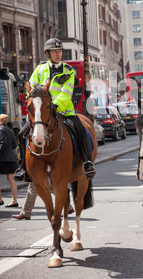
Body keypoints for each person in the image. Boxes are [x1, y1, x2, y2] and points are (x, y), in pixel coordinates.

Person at [14, 38, 95, 182]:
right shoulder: (40, 69)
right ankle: (24, 168)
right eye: (55, 51)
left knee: (82, 130)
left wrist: (54, 106)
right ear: (48, 54)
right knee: (21, 134)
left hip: (63, 110)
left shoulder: (68, 70)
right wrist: (35, 105)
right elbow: (31, 90)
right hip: (41, 111)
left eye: (60, 51)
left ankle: (88, 163)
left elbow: (66, 92)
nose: (58, 54)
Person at [0, 114, 19, 207]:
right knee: (11, 179)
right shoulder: (10, 130)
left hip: (2, 159)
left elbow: (3, 143)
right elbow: (14, 145)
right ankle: (14, 201)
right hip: (10, 158)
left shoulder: (0, 129)